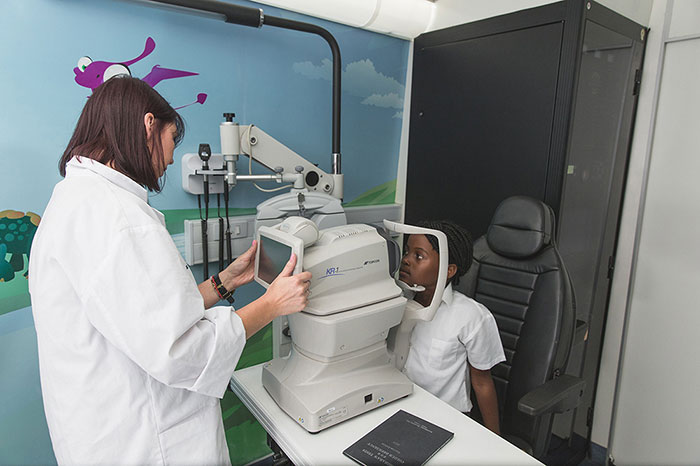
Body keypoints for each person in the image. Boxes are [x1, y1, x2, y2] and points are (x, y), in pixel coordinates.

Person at [28, 76, 312, 464]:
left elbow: (141, 317)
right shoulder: (120, 218)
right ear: (149, 125)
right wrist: (272, 305)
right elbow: (178, 350)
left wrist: (223, 282)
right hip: (147, 440)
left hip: (99, 429)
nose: (170, 158)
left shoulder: (75, 201)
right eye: (172, 139)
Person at [399, 220, 505, 434]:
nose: (406, 260)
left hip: (445, 421)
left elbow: (482, 383)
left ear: (449, 270)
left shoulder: (471, 316)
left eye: (418, 256)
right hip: (401, 408)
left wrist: (495, 442)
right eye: (407, 252)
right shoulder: (396, 302)